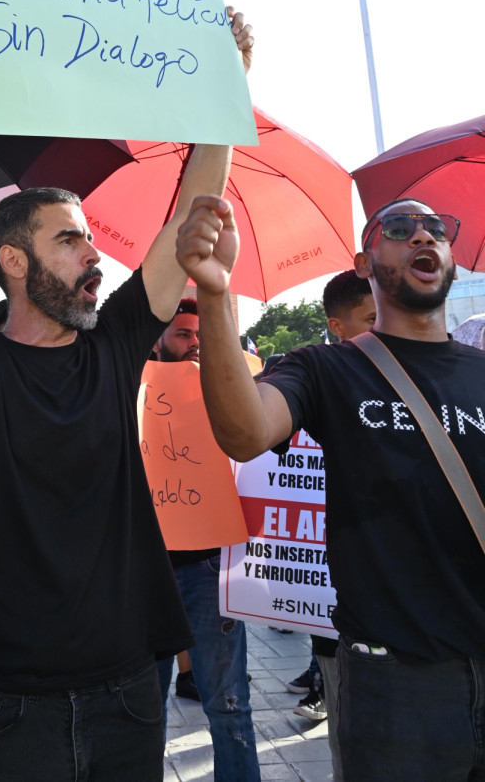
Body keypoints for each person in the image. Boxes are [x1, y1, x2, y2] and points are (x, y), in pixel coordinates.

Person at [0, 0, 254, 782]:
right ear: (14, 261)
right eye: (70, 241)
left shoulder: (114, 347)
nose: (95, 255)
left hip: (128, 697)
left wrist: (225, 90)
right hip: (7, 706)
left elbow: (189, 220)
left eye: (89, 240)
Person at [177, 194, 485, 782]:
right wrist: (216, 297)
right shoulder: (326, 368)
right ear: (365, 262)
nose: (423, 237)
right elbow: (244, 431)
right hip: (396, 688)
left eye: (435, 229)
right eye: (399, 228)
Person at [153, 297, 261, 782]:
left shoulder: (233, 392)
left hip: (211, 570)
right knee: (140, 712)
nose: (194, 343)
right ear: (159, 339)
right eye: (183, 334)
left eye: (201, 335)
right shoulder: (136, 391)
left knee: (230, 704)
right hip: (147, 573)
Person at [285, 271, 375, 777]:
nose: (383, 327)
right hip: (348, 610)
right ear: (337, 327)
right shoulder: (314, 375)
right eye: (370, 318)